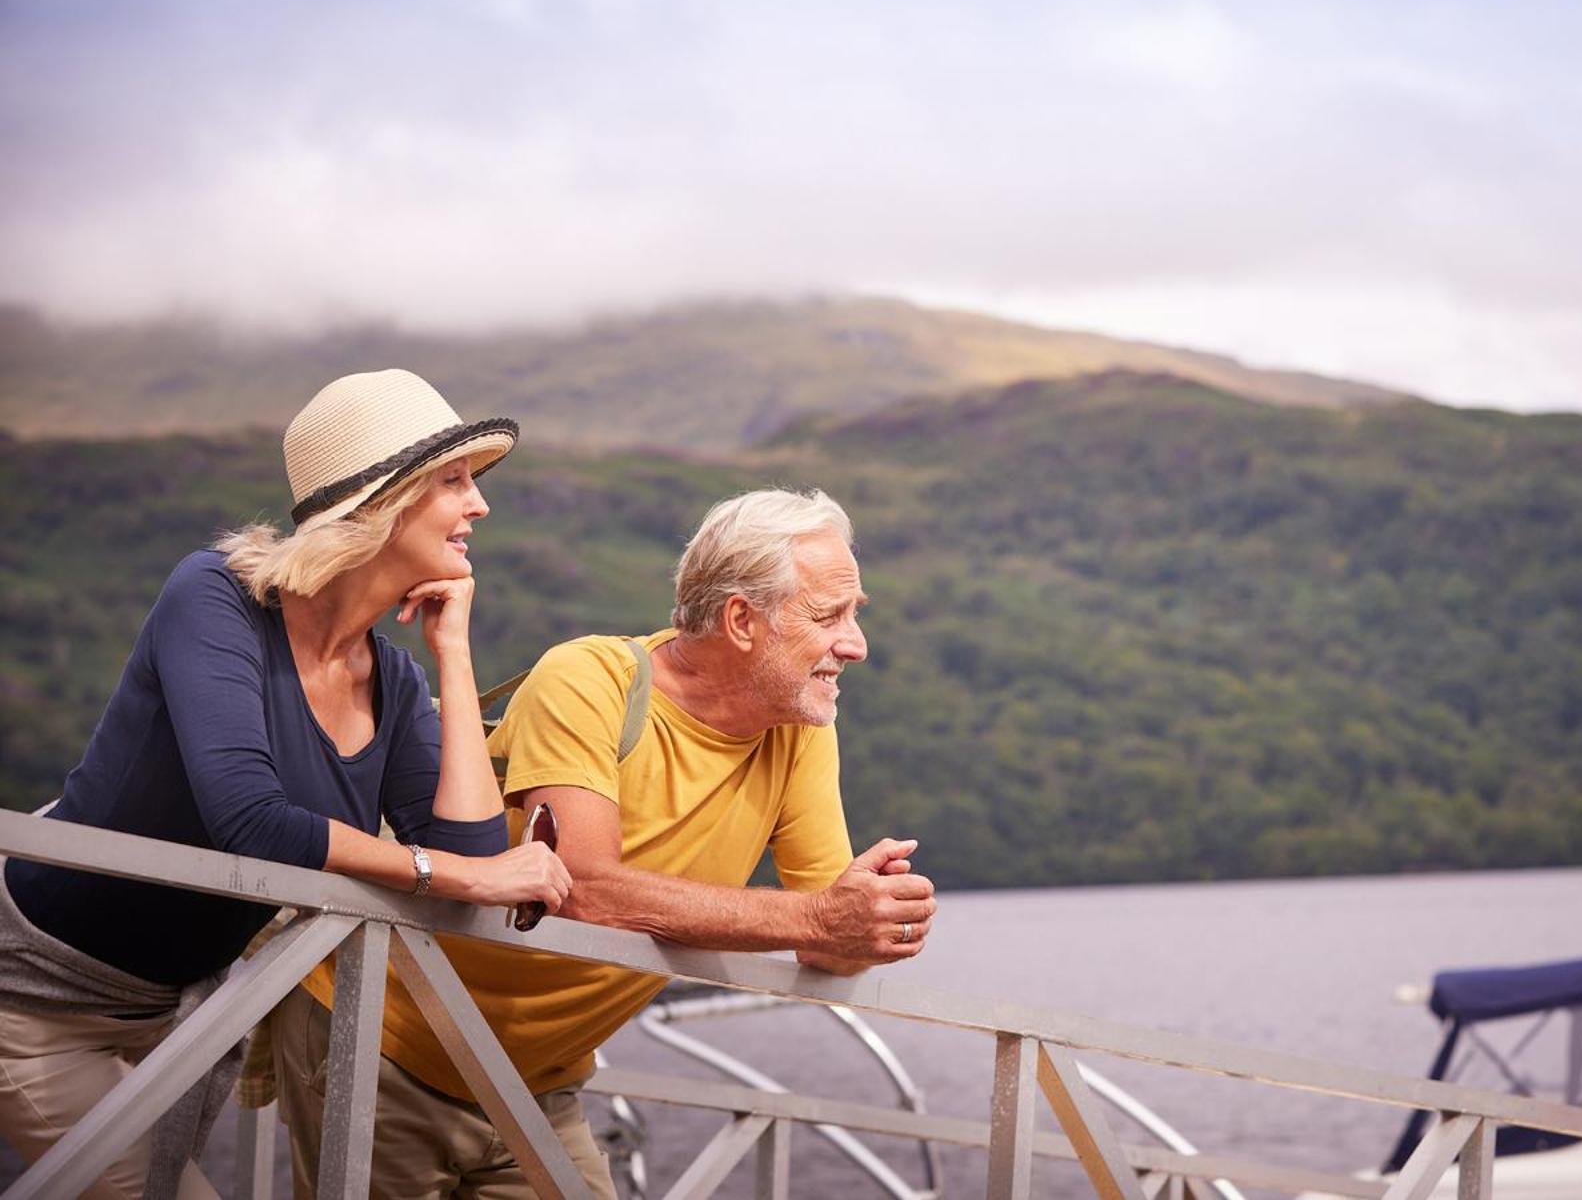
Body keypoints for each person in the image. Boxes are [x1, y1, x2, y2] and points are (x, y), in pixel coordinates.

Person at [0, 369, 571, 1200]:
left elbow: (471, 856)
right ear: (385, 499)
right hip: (37, 999)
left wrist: (454, 653)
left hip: (176, 1013)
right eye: (454, 481)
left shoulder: (398, 680)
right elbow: (250, 816)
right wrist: (451, 872)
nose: (479, 505)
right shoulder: (214, 595)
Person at [273, 487, 936, 1199]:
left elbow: (821, 938)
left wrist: (870, 917)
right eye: (828, 615)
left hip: (539, 1083)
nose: (855, 644)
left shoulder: (802, 727)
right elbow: (580, 885)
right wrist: (818, 918)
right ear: (742, 619)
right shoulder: (591, 677)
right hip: (386, 1036)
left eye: (854, 615)